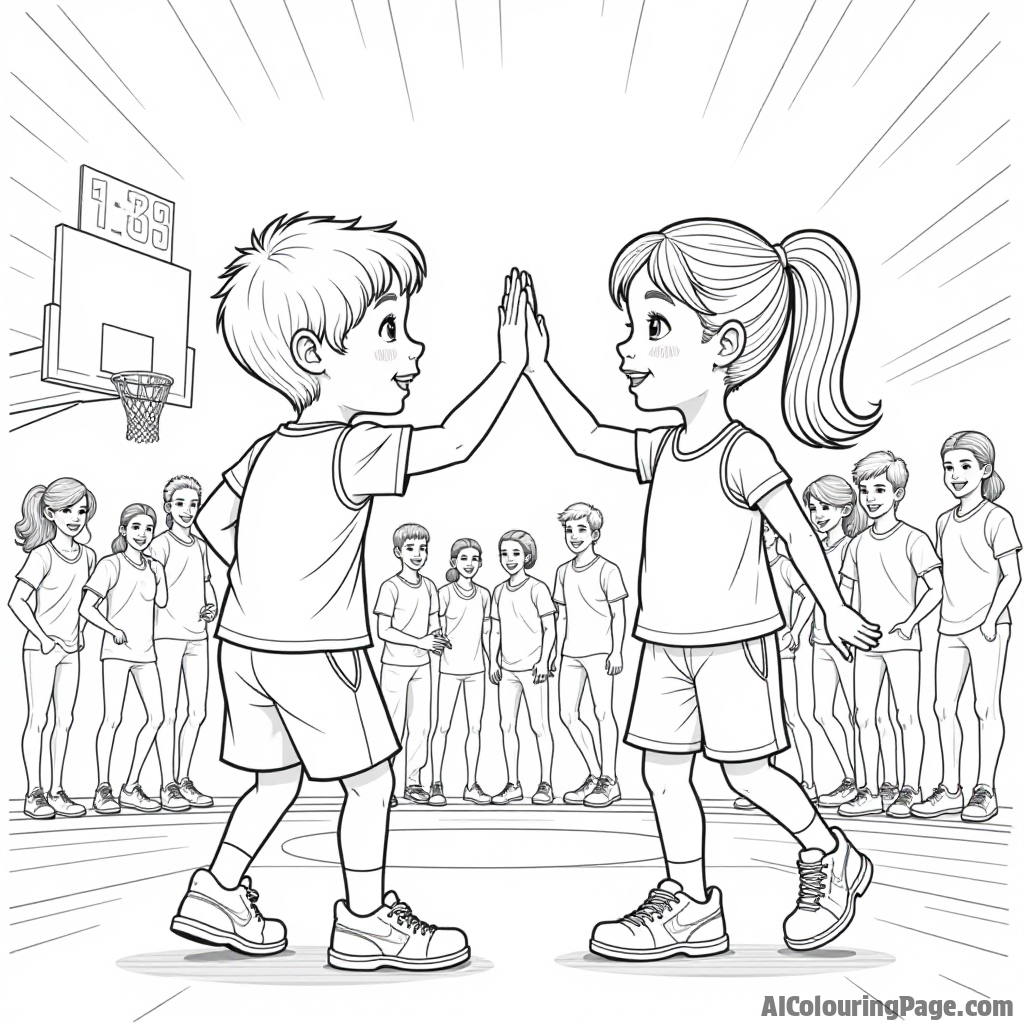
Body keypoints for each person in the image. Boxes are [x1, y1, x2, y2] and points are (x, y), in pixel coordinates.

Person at [169, 214, 529, 971]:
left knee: (275, 778)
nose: (414, 349)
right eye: (390, 330)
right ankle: (366, 920)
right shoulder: (351, 443)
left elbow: (210, 518)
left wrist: (260, 582)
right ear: (313, 354)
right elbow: (457, 442)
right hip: (318, 650)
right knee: (370, 783)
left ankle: (218, 888)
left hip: (245, 647)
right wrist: (510, 367)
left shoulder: (267, 447)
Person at [523, 218, 882, 958]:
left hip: (732, 643)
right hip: (664, 642)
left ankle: (829, 851)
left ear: (724, 346)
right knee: (663, 773)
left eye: (655, 326)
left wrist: (835, 606)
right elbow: (587, 435)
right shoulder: (661, 446)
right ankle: (690, 903)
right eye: (630, 326)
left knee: (749, 771)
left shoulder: (742, 451)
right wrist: (533, 367)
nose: (629, 348)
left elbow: (794, 532)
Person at [913, 431, 1019, 823]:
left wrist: (991, 617)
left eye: (965, 466)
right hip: (949, 627)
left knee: (985, 706)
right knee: (943, 707)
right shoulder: (943, 521)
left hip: (988, 626)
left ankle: (985, 789)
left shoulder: (997, 517)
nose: (955, 474)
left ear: (984, 470)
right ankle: (950, 787)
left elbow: (1012, 575)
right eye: (949, 467)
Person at [839, 452, 941, 820]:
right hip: (866, 644)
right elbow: (847, 595)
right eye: (864, 490)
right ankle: (867, 790)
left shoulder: (914, 539)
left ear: (898, 493)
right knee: (864, 717)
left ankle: (908, 788)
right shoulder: (856, 544)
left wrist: (912, 622)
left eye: (879, 489)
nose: (870, 497)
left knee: (906, 716)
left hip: (901, 643)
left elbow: (935, 587)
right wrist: (848, 634)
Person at [10, 478, 97, 819]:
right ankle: (34, 792)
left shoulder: (88, 555)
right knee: (38, 718)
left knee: (65, 719)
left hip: (71, 649)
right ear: (50, 513)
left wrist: (82, 632)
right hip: (40, 649)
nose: (75, 517)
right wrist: (44, 636)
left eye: (81, 511)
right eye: (67, 510)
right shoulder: (41, 554)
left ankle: (57, 790)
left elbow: (87, 603)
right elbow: (17, 601)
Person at [81, 504, 170, 814]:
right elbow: (86, 608)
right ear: (123, 531)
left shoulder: (155, 566)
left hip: (146, 653)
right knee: (113, 719)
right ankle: (102, 788)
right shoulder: (110, 565)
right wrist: (112, 628)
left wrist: (160, 573)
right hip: (117, 652)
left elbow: (162, 602)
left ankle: (130, 786)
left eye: (148, 528)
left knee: (156, 717)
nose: (143, 534)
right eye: (136, 528)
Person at [146, 475, 218, 810]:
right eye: (180, 504)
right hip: (166, 636)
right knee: (168, 713)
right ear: (168, 508)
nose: (187, 510)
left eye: (193, 504)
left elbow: (206, 584)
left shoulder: (201, 546)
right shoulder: (158, 544)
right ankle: (167, 784)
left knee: (197, 711)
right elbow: (148, 591)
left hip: (197, 636)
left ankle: (185, 778)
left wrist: (211, 605)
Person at [733, 520, 814, 809]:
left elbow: (808, 596)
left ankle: (809, 783)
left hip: (781, 650)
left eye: (766, 529)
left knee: (792, 716)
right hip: (752, 653)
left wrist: (794, 629)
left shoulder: (784, 565)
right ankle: (763, 788)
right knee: (760, 721)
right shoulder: (746, 570)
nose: (761, 535)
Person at [551, 503, 627, 807]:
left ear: (595, 534)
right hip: (571, 652)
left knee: (602, 713)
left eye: (581, 530)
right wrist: (556, 652)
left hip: (600, 652)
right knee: (567, 714)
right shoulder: (562, 571)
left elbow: (618, 614)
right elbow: (563, 617)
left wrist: (617, 651)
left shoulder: (608, 570)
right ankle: (595, 775)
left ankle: (610, 779)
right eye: (569, 530)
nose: (574, 536)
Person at [803, 476, 866, 807]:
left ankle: (868, 781)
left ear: (845, 509)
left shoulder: (852, 546)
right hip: (819, 639)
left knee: (859, 713)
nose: (818, 514)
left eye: (825, 507)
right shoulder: (813, 549)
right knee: (822, 712)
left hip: (847, 641)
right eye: (813, 508)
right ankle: (851, 777)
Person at [375, 523, 446, 805]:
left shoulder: (429, 586)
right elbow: (383, 630)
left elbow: (434, 624)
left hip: (422, 667)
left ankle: (413, 782)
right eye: (410, 548)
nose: (417, 554)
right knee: (391, 726)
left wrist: (439, 638)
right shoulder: (390, 587)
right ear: (398, 552)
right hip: (394, 664)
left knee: (421, 726)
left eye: (422, 548)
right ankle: (385, 785)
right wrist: (420, 642)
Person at [489, 530, 557, 805]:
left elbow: (549, 628)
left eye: (516, 553)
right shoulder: (498, 590)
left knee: (539, 726)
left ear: (527, 556)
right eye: (504, 554)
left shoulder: (538, 588)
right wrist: (494, 660)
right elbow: (495, 629)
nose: (510, 559)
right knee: (507, 725)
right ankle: (513, 784)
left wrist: (543, 660)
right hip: (507, 670)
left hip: (533, 669)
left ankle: (546, 783)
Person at [429, 538, 492, 806]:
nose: (469, 564)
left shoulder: (484, 594)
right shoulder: (444, 593)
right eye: (464, 559)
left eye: (474, 559)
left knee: (475, 727)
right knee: (442, 726)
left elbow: (487, 632)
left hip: (476, 670)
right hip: (449, 670)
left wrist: (493, 662)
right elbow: (435, 627)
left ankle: (471, 785)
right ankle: (436, 783)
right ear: (454, 562)